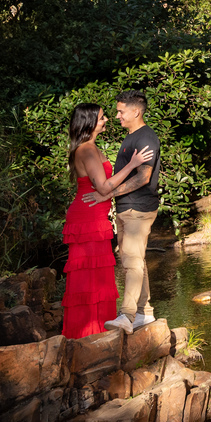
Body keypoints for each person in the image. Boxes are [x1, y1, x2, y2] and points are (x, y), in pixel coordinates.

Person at [61, 103, 153, 339]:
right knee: (89, 279)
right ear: (90, 122)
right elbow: (102, 186)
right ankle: (86, 336)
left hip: (96, 218)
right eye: (102, 118)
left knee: (99, 279)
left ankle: (100, 332)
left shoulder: (91, 147)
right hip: (87, 219)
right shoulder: (86, 150)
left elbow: (103, 187)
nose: (107, 120)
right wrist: (133, 165)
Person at [83, 89, 161, 335]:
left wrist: (107, 194)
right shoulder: (132, 137)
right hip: (128, 208)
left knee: (131, 261)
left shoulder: (146, 137)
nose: (117, 116)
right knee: (135, 260)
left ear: (135, 111)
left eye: (120, 111)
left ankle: (127, 316)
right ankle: (144, 314)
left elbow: (143, 178)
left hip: (139, 207)